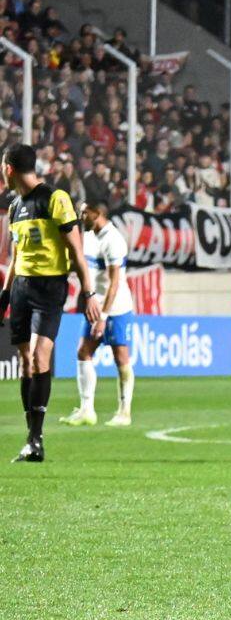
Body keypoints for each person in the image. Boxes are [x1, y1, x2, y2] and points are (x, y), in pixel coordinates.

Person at [0, 144, 101, 463]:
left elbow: (77, 251)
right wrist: (5, 293)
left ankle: (36, 438)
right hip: (22, 288)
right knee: (27, 361)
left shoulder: (55, 199)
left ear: (10, 169)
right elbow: (15, 257)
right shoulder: (15, 206)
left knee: (41, 356)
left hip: (49, 288)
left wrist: (89, 294)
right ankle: (31, 437)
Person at [60, 200, 136, 427]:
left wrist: (103, 317)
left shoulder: (114, 240)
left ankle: (124, 412)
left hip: (116, 308)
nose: (81, 216)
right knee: (83, 352)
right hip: (96, 306)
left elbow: (115, 284)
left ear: (98, 212)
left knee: (120, 357)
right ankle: (87, 410)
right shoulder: (91, 236)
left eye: (84, 212)